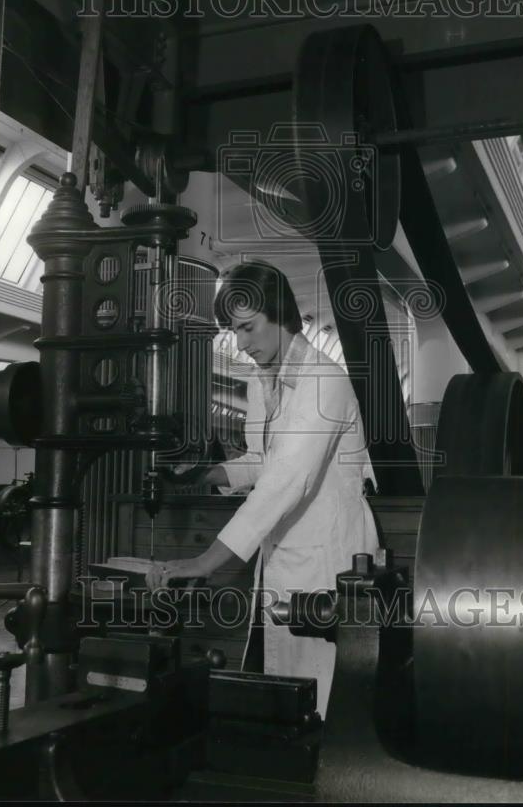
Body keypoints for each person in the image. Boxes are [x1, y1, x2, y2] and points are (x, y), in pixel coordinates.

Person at [145, 260, 379, 717]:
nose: (242, 344)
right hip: (285, 558)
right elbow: (261, 462)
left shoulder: (323, 381)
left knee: (325, 698)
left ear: (282, 316)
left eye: (249, 328)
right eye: (234, 331)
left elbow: (285, 482)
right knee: (288, 694)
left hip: (328, 560)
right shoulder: (260, 381)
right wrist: (201, 473)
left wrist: (206, 561)